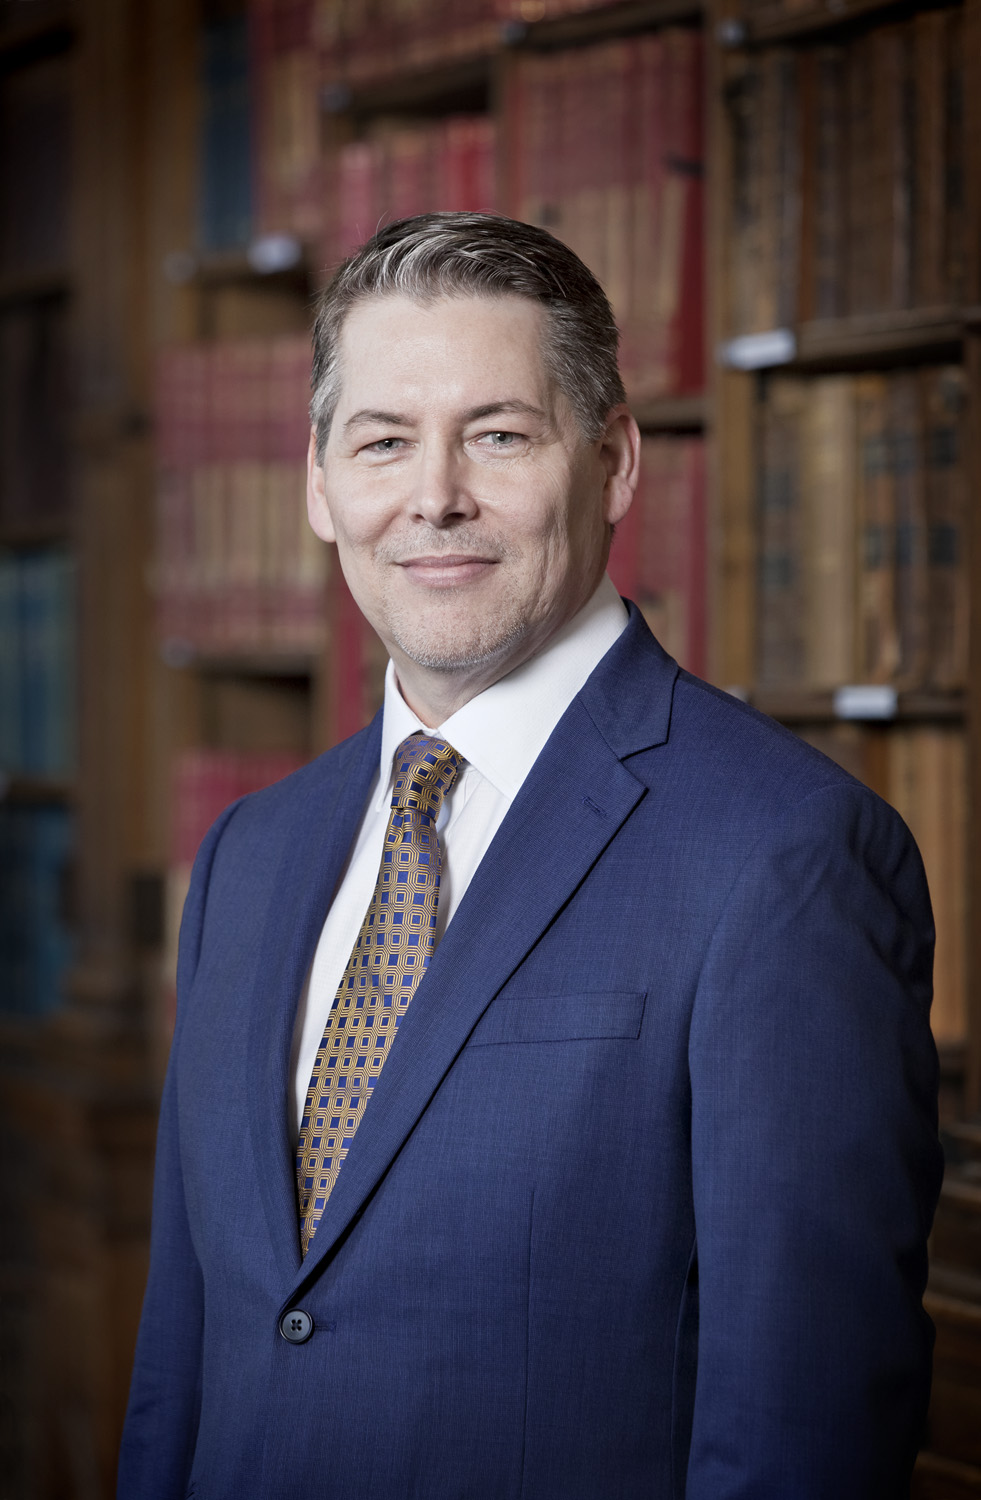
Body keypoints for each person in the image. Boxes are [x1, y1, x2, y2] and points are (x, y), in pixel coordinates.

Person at [118, 212, 942, 1499]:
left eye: (499, 435)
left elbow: (806, 1429)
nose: (434, 495)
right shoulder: (251, 854)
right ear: (322, 490)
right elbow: (186, 1357)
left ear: (613, 462)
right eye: (383, 442)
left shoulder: (786, 855)